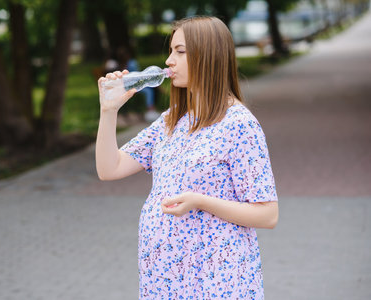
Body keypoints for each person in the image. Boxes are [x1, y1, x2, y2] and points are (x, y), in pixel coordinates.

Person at [96, 16, 278, 299]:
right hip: (164, 278)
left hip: (217, 280)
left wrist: (200, 201)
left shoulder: (239, 124)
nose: (169, 61)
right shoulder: (172, 120)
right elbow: (110, 168)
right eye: (171, 51)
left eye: (180, 52)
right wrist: (108, 112)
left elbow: (268, 214)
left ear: (209, 56)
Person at [116, 46, 161, 122]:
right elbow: (137, 76)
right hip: (131, 86)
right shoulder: (130, 63)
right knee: (149, 91)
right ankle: (150, 110)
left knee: (151, 89)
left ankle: (151, 109)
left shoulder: (126, 64)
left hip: (131, 85)